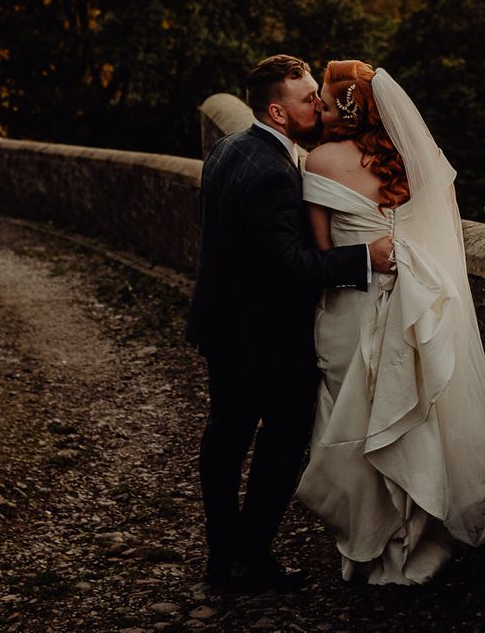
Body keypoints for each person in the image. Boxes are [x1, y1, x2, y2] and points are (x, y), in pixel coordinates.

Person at [186, 54, 395, 591]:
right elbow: (289, 267)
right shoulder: (276, 175)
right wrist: (362, 258)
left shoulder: (228, 150)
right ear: (278, 113)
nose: (321, 109)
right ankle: (250, 558)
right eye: (309, 101)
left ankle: (221, 554)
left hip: (222, 328)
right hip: (269, 341)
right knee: (281, 444)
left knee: (225, 438)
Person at [296, 60, 485, 584]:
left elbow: (322, 254)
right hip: (419, 308)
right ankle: (417, 542)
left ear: (344, 108)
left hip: (351, 305)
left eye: (322, 99)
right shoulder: (412, 161)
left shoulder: (318, 161)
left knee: (354, 420)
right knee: (415, 420)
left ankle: (365, 545)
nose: (317, 107)